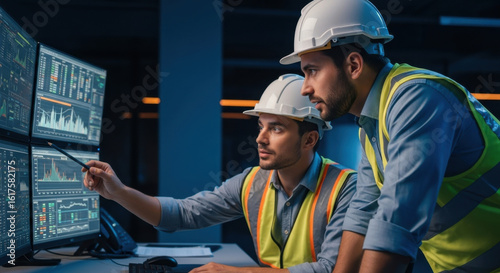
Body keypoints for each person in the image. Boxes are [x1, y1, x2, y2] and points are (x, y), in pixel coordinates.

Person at [280, 0, 500, 272]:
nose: (304, 88)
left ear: (353, 65)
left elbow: (396, 224)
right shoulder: (371, 124)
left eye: (311, 71)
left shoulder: (418, 99)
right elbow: (364, 212)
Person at [83, 74, 357, 273]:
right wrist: (118, 193)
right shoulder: (252, 183)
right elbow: (181, 214)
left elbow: (329, 270)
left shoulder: (345, 188)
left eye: (276, 128)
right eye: (261, 126)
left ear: (309, 140)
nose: (260, 139)